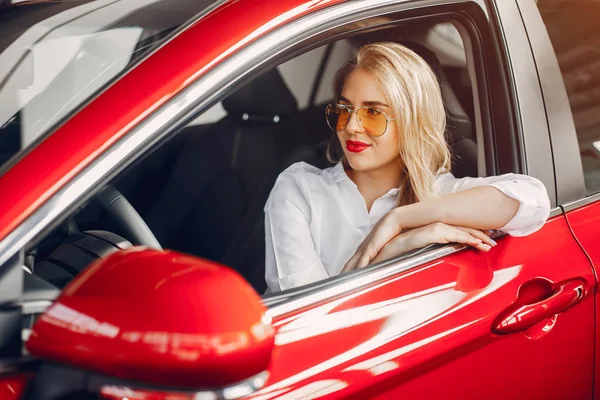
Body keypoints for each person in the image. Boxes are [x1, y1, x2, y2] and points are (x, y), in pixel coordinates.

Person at [264, 42, 550, 293]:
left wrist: (399, 219)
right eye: (345, 110)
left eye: (373, 113)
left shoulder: (439, 191)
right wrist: (392, 251)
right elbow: (307, 322)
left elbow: (533, 201)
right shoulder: (299, 188)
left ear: (413, 121)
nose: (351, 126)